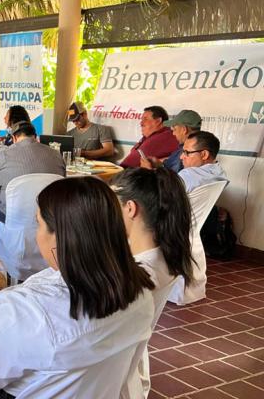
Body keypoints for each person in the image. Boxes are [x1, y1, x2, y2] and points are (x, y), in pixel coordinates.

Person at [0, 177, 155, 399]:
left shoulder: (27, 310)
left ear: (60, 237)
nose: (36, 234)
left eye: (38, 224)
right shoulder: (142, 291)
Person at [112, 167, 194, 398]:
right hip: (130, 366)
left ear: (130, 208)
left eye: (110, 205)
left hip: (110, 376)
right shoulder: (165, 255)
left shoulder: (136, 274)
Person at [0, 121, 66, 223]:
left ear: (14, 138)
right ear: (35, 137)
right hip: (49, 217)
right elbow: (62, 185)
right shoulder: (56, 155)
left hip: (11, 218)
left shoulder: (2, 156)